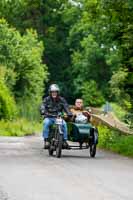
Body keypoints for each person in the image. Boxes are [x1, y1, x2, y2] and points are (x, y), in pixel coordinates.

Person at [40, 84, 72, 149]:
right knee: (45, 123)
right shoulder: (46, 99)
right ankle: (46, 140)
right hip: (49, 117)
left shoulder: (61, 99)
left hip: (58, 117)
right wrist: (43, 111)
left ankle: (64, 141)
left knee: (64, 124)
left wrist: (69, 113)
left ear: (57, 92)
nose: (54, 93)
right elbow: (42, 106)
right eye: (52, 92)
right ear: (50, 92)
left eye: (55, 92)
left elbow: (66, 107)